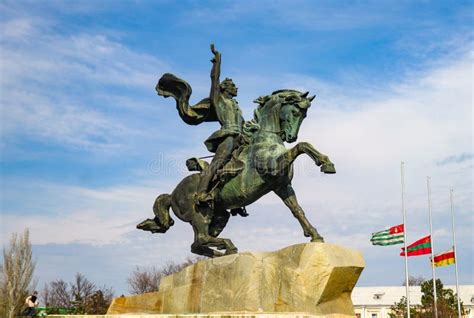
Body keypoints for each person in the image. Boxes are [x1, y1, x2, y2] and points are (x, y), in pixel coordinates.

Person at [194, 44, 245, 205]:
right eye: (232, 85)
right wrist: (217, 62)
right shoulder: (219, 100)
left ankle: (234, 198)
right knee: (218, 163)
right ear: (224, 88)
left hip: (241, 138)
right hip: (227, 136)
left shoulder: (236, 105)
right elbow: (214, 80)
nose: (236, 87)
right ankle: (201, 193)